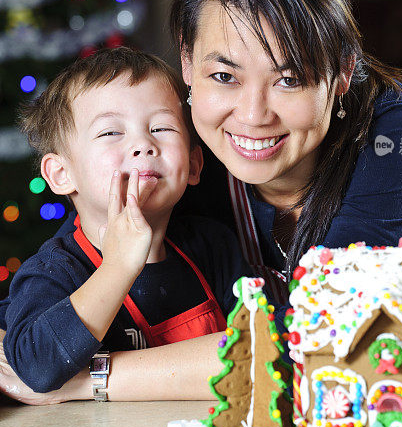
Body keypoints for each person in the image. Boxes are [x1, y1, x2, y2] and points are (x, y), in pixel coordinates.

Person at [2, 0, 402, 404]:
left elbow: (323, 338)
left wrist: (93, 378)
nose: (253, 117)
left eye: (289, 78)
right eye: (225, 77)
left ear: (343, 70)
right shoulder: (184, 148)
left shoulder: (396, 140)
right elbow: (70, 272)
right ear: (187, 61)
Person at [0, 47, 249, 400]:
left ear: (194, 165)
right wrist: (117, 267)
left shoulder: (213, 245)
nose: (143, 144)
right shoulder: (52, 272)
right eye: (110, 133)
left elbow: (258, 345)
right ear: (61, 174)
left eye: (161, 127)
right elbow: (36, 369)